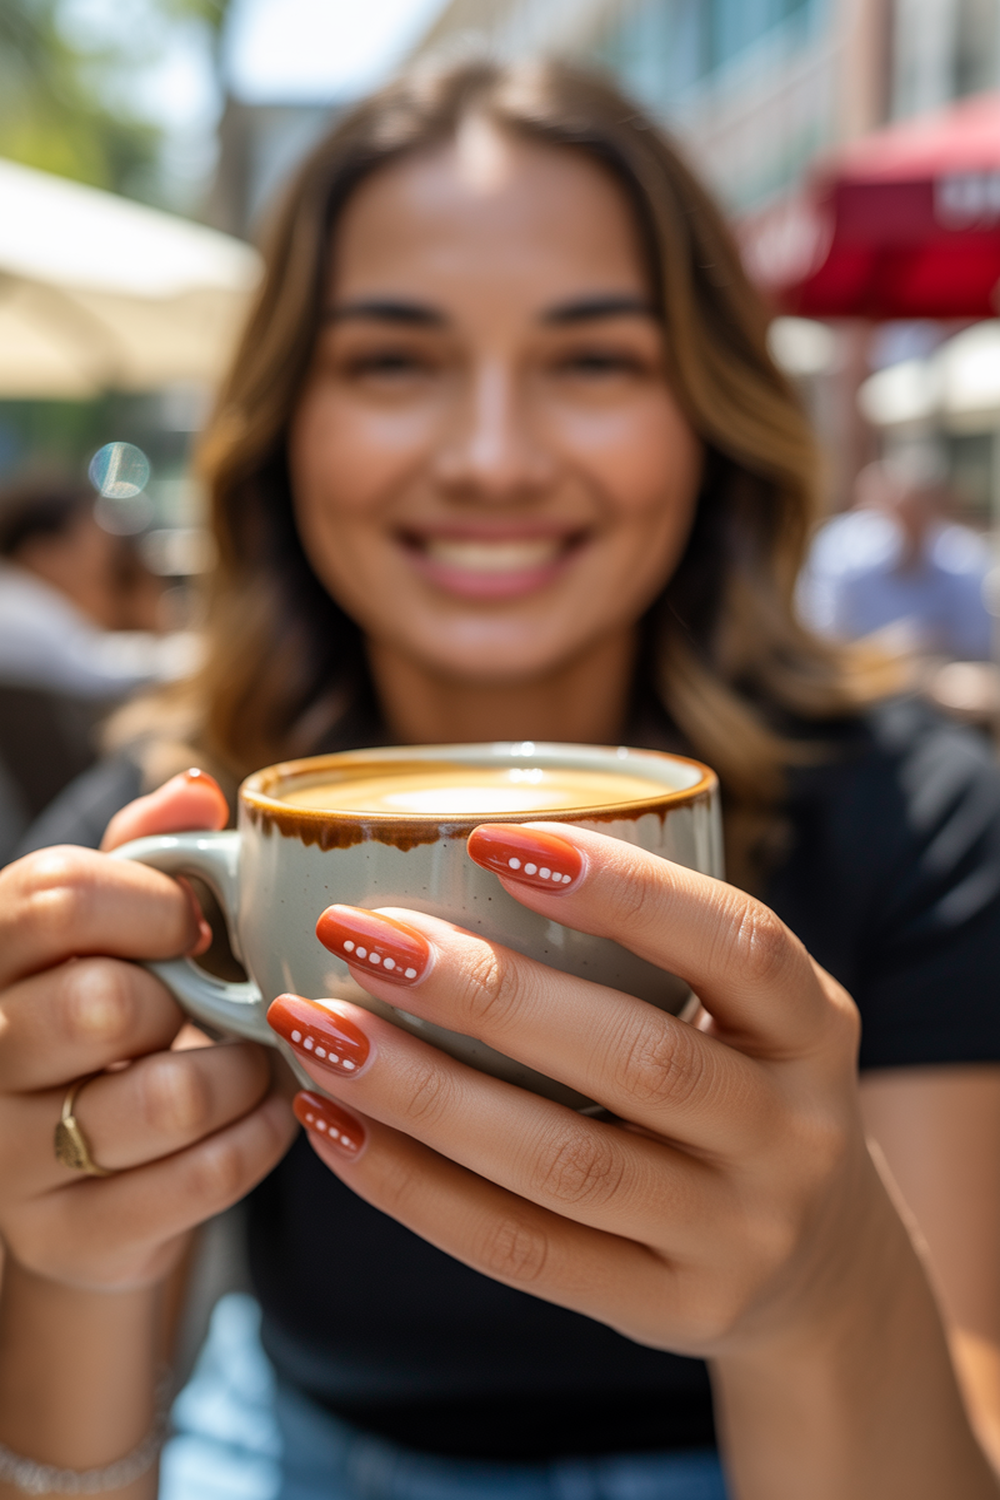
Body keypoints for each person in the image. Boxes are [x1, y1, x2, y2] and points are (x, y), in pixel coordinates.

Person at [2, 58, 1000, 1500]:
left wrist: (825, 1287)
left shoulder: (922, 818)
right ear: (287, 424)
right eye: (395, 362)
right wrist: (72, 1263)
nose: (490, 457)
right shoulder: (159, 839)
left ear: (707, 412)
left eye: (592, 360)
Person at [799, 454, 994, 661]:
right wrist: (890, 650)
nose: (909, 518)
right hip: (855, 680)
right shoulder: (841, 552)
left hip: (937, 680)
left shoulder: (964, 558)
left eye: (920, 507)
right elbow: (820, 640)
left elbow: (975, 648)